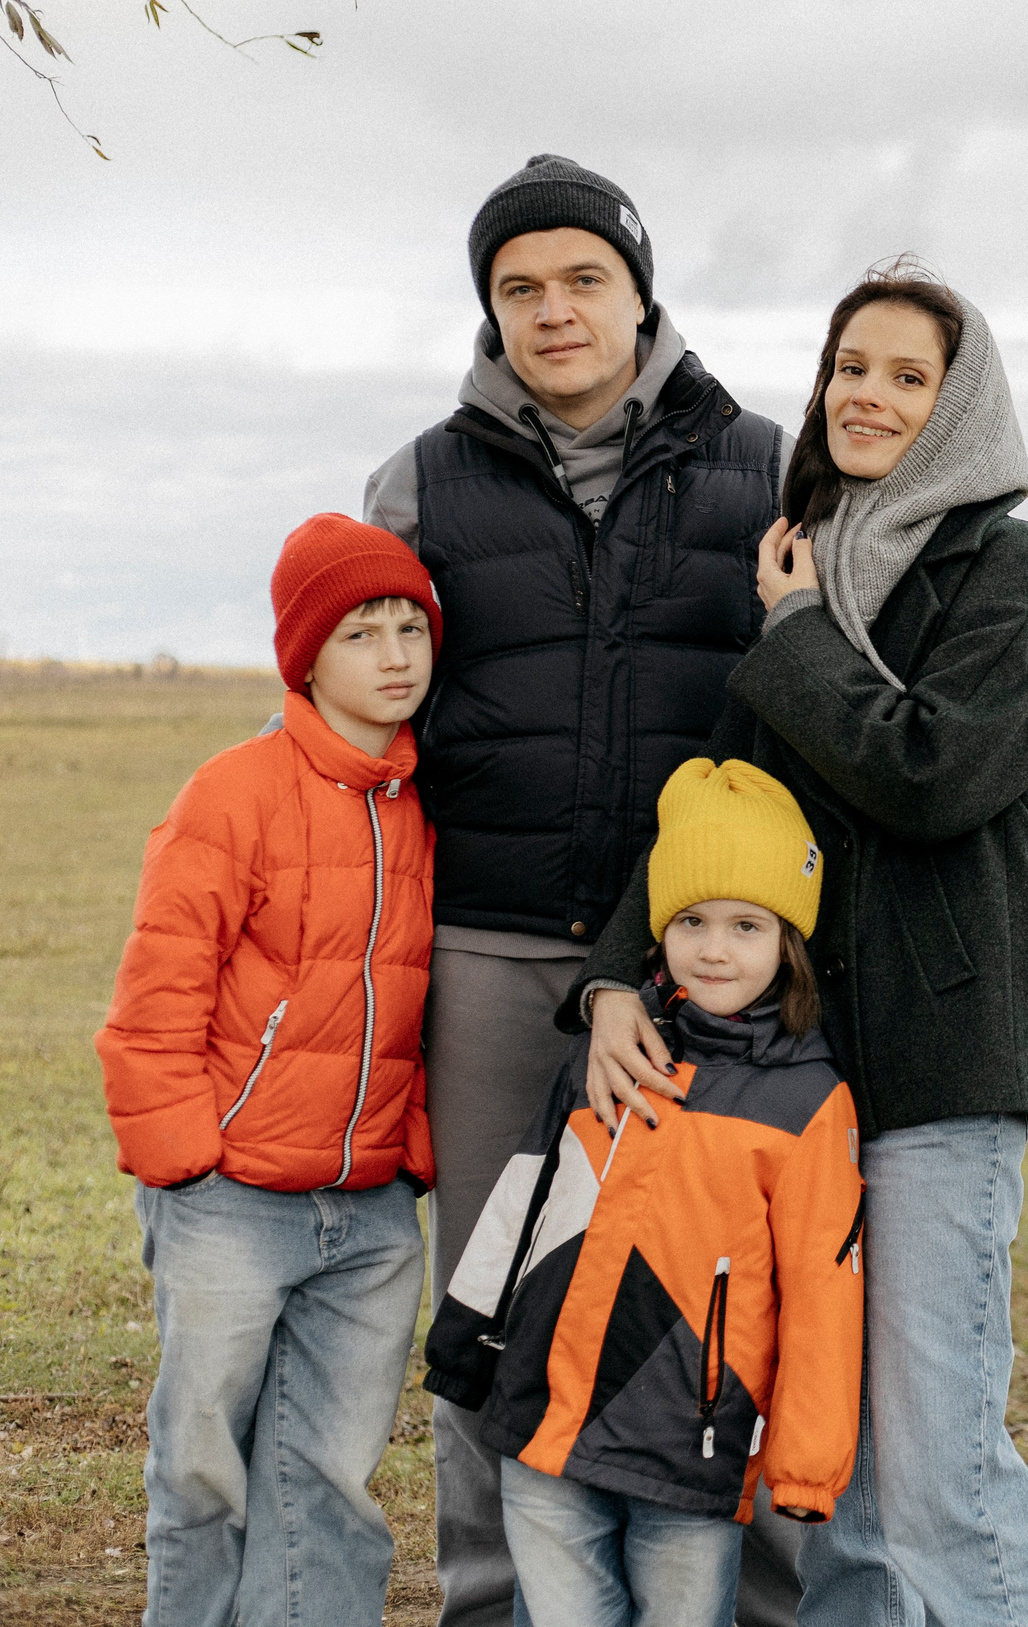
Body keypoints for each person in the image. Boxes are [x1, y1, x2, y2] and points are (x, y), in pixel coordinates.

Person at [573, 260, 1028, 1627]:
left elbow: (935, 772)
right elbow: (719, 808)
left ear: (959, 411)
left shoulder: (1005, 571)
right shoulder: (802, 569)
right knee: (842, 1474)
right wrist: (618, 970)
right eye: (852, 365)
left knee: (937, 1476)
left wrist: (795, 634)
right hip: (800, 1082)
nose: (869, 393)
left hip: (938, 1065)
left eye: (910, 376)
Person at [363, 154, 797, 1625]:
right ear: (490, 309)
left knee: (728, 1291)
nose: (553, 309)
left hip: (710, 969)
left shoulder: (767, 463)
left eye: (582, 278)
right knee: (494, 1299)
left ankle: (755, 1603)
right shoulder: (420, 479)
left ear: (639, 289)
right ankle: (494, 1602)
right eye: (519, 286)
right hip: (488, 956)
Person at [96, 513, 442, 1627]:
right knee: (203, 1468)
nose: (394, 657)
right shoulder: (233, 792)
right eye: (360, 634)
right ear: (305, 656)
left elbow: (436, 994)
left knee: (331, 1479)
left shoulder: (434, 809)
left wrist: (414, 1152)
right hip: (231, 1199)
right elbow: (158, 993)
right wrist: (184, 1161)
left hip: (371, 1209)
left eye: (410, 629)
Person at [425, 759, 864, 1627]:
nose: (713, 947)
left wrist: (808, 1465)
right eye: (692, 920)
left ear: (790, 941)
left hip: (687, 1453)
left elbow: (825, 1286)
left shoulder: (808, 1104)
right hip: (546, 1425)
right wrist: (466, 1342)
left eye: (747, 924)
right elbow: (523, 1200)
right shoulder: (614, 1055)